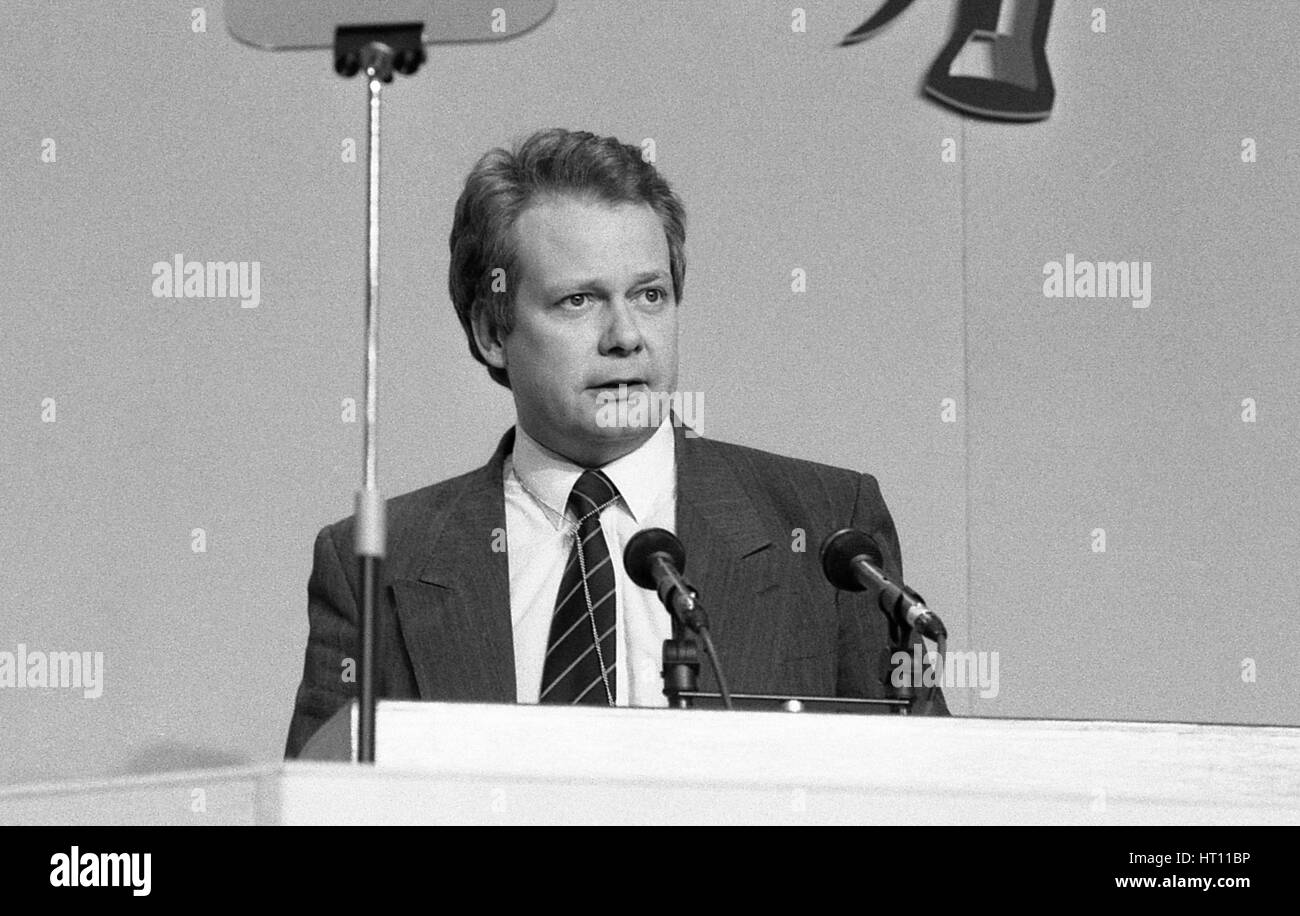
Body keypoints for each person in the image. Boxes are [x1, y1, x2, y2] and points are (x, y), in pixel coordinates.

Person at [284, 127, 946, 758]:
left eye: (650, 295)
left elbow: (925, 792)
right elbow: (318, 803)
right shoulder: (377, 564)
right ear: (492, 330)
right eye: (579, 301)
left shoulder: (827, 531)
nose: (626, 335)